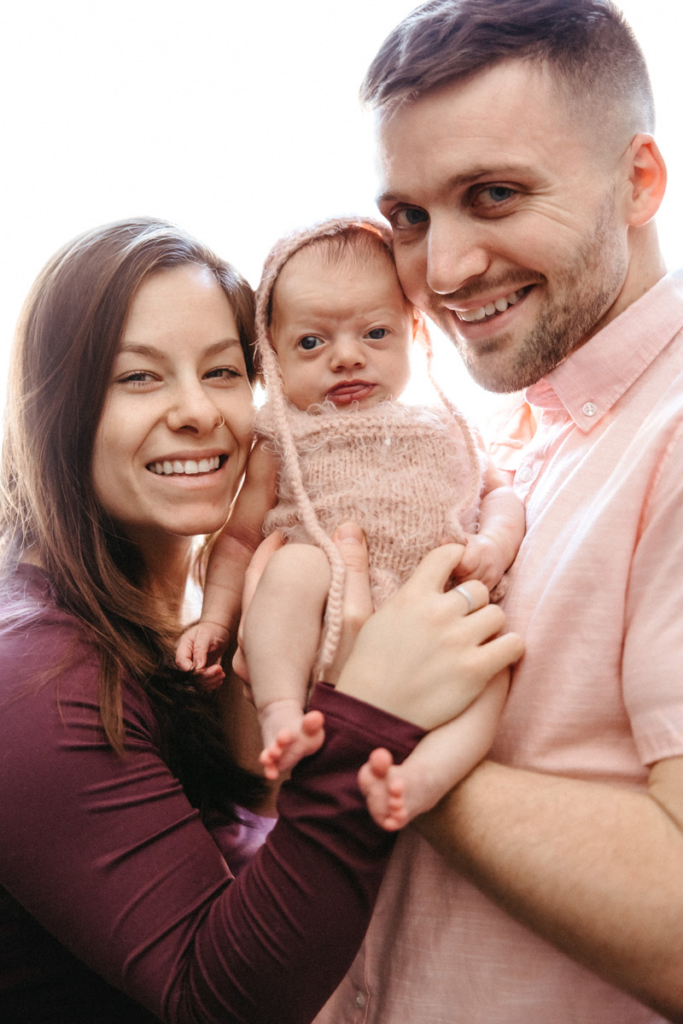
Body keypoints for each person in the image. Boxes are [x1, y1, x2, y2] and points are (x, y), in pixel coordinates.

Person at [0, 217, 523, 1023]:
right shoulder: (33, 680)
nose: (197, 412)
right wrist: (364, 720)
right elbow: (220, 1001)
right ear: (57, 403)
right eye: (139, 378)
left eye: (222, 372)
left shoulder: (177, 624)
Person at [312, 2, 683, 1023]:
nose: (442, 271)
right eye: (411, 217)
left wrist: (365, 730)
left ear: (637, 182)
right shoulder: (519, 433)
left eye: (493, 194)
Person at [178, 216, 525, 831]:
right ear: (273, 357)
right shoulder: (282, 434)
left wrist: (496, 542)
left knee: (494, 661)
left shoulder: (447, 424)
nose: (346, 357)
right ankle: (283, 712)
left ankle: (425, 779)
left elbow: (500, 493)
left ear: (415, 334)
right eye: (311, 343)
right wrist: (214, 617)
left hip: (432, 612)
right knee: (294, 565)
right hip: (320, 608)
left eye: (375, 332)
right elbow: (236, 537)